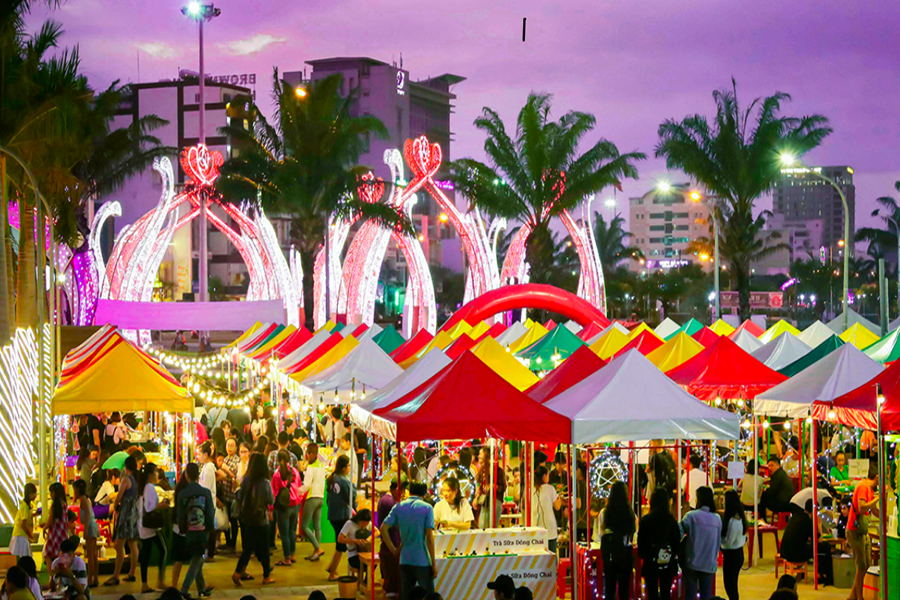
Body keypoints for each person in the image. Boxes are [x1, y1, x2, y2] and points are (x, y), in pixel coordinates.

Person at [380, 481, 437, 600]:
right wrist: (433, 564)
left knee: (406, 596)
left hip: (405, 559)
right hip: (422, 560)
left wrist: (394, 550)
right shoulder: (427, 508)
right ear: (424, 494)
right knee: (428, 596)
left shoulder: (398, 507)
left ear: (409, 491)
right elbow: (429, 539)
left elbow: (383, 528)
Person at [233, 452, 275, 586]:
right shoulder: (265, 482)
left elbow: (239, 497)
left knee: (248, 548)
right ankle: (266, 576)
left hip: (246, 518)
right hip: (261, 519)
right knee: (264, 548)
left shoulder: (246, 480)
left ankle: (238, 572)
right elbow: (271, 500)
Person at [176, 463, 215, 598]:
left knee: (197, 557)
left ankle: (201, 587)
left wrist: (182, 528)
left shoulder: (182, 494)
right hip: (203, 529)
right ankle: (184, 589)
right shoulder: (205, 493)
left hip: (189, 530)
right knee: (197, 557)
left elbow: (180, 514)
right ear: (198, 475)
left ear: (186, 475)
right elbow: (210, 512)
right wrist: (210, 528)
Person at [679, 486, 722, 600]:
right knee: (706, 596)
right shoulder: (717, 519)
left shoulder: (691, 516)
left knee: (689, 595)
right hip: (709, 563)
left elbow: (678, 533)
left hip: (692, 562)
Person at [104, 455, 140, 586]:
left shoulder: (126, 480)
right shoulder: (135, 480)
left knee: (119, 545)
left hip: (125, 514)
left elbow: (118, 497)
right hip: (133, 513)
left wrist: (116, 505)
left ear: (126, 467)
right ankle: (132, 573)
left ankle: (116, 575)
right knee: (132, 543)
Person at [638, 487, 679, 600]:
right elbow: (676, 543)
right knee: (666, 593)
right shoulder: (671, 520)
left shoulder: (646, 521)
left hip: (650, 564)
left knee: (652, 594)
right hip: (668, 563)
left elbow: (641, 546)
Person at [847, 462, 879, 600]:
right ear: (877, 477)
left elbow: (874, 510)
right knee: (861, 566)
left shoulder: (870, 490)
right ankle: (859, 597)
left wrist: (888, 518)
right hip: (855, 530)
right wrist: (878, 498)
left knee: (866, 565)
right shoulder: (862, 487)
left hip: (862, 530)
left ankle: (853, 596)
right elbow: (862, 508)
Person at [598, 481, 635, 600]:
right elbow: (633, 535)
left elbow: (600, 534)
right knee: (624, 590)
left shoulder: (605, 513)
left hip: (610, 553)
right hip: (625, 552)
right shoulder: (630, 513)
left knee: (609, 589)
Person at [137, 464, 168, 593]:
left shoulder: (142, 486)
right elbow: (150, 508)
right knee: (163, 549)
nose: (157, 474)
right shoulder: (149, 487)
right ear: (150, 474)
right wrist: (160, 505)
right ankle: (160, 581)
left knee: (146, 553)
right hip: (150, 526)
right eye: (155, 472)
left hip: (142, 524)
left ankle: (145, 583)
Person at [326, 455, 354, 580]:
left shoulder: (332, 478)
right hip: (341, 515)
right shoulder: (344, 481)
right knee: (340, 545)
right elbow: (351, 499)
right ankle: (332, 573)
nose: (349, 468)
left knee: (339, 542)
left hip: (332, 514)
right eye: (348, 465)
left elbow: (328, 500)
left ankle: (331, 566)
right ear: (344, 468)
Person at [272, 450, 302, 567]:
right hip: (295, 505)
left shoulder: (277, 474)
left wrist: (270, 507)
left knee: (284, 533)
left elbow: (274, 492)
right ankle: (292, 554)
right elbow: (299, 485)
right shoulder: (294, 471)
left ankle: (287, 558)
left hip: (283, 507)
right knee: (292, 531)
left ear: (278, 460)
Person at [378, 480, 406, 598]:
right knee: (391, 587)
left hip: (389, 545)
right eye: (403, 492)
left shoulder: (385, 500)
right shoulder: (390, 503)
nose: (404, 495)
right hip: (391, 546)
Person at [299, 443, 327, 561]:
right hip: (320, 498)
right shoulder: (321, 466)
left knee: (304, 526)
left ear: (309, 454)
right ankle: (316, 552)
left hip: (312, 498)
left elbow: (307, 485)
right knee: (317, 526)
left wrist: (297, 491)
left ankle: (318, 548)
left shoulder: (311, 468)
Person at [720, 490, 747, 600]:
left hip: (731, 556)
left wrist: (718, 543)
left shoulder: (732, 521)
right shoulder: (740, 517)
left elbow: (728, 542)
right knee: (732, 585)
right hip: (738, 553)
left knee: (730, 586)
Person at [72, 480, 99, 588]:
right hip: (92, 525)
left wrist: (85, 529)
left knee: (91, 555)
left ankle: (90, 579)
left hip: (90, 526)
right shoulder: (86, 499)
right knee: (94, 554)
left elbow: (87, 513)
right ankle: (95, 578)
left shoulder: (83, 500)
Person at [196, 441, 219, 562]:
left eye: (200, 454)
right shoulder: (206, 466)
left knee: (210, 528)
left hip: (208, 502)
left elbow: (206, 488)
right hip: (206, 501)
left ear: (206, 454)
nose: (198, 456)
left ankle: (210, 553)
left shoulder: (209, 468)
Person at [531, 466, 562, 553]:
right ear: (544, 476)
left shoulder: (530, 489)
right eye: (548, 475)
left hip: (535, 528)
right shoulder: (550, 488)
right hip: (550, 528)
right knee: (551, 556)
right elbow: (557, 506)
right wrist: (559, 499)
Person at [474, 446, 506, 528]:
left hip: (495, 501)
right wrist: (477, 497)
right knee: (482, 526)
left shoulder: (498, 471)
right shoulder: (482, 471)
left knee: (492, 527)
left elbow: (503, 487)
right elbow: (481, 487)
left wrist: (493, 486)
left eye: (480, 454)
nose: (478, 456)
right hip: (484, 502)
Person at [760, 455, 796, 522]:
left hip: (782, 504)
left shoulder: (777, 476)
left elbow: (772, 492)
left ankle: (763, 520)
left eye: (772, 465)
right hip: (787, 502)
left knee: (763, 497)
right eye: (769, 466)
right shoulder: (781, 473)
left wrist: (763, 491)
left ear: (778, 466)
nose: (770, 468)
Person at [220, 437, 240, 552]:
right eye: (228, 445)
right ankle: (227, 542)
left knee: (233, 520)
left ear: (236, 448)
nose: (229, 448)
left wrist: (226, 470)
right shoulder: (225, 459)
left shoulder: (237, 461)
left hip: (233, 495)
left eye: (232, 446)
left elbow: (234, 475)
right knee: (225, 519)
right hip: (225, 493)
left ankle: (233, 543)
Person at [337, 509, 372, 576]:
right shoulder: (349, 524)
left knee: (373, 564)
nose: (364, 526)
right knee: (363, 564)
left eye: (366, 524)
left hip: (365, 553)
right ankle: (362, 583)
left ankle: (366, 583)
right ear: (359, 520)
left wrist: (369, 539)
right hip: (353, 555)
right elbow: (340, 539)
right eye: (363, 524)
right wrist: (355, 541)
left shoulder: (368, 524)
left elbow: (377, 532)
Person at [43, 482, 69, 567]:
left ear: (54, 493)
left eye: (50, 492)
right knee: (60, 556)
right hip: (63, 534)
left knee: (47, 554)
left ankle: (52, 575)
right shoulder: (64, 504)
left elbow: (50, 520)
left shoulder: (54, 505)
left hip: (54, 534)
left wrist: (44, 528)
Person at [9, 483, 36, 559]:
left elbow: (27, 517)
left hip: (21, 535)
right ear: (29, 494)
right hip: (20, 535)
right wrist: (30, 535)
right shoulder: (25, 506)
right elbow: (23, 524)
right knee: (23, 557)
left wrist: (35, 514)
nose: (35, 495)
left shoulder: (27, 505)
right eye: (33, 493)